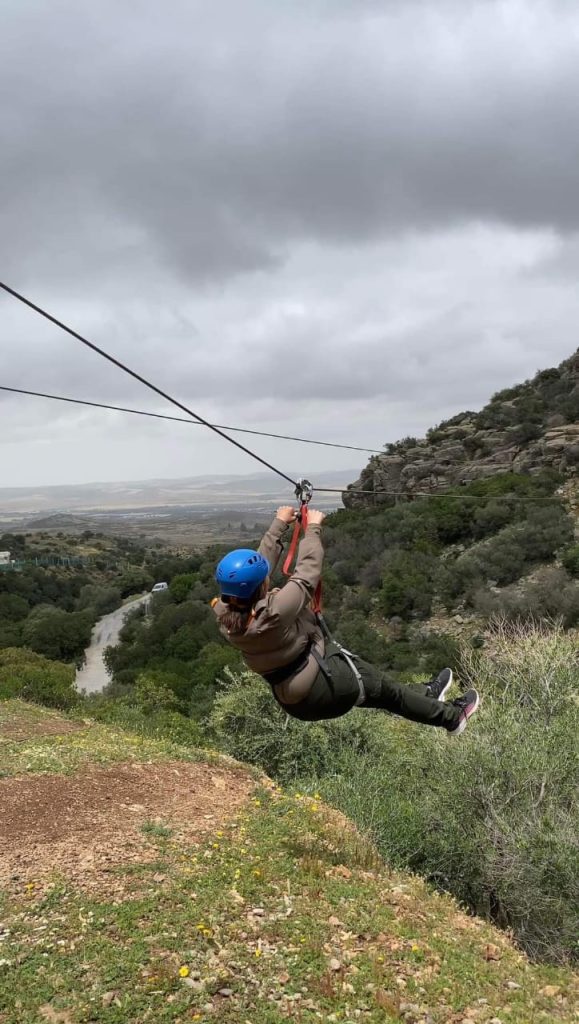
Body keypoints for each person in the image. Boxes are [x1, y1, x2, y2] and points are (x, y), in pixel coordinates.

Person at [212, 506, 479, 734]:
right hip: (325, 684)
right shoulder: (276, 612)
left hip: (297, 701)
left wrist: (279, 525)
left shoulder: (226, 614)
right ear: (260, 587)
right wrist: (313, 528)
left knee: (383, 691)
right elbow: (307, 573)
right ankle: (452, 717)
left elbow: (258, 571)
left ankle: (426, 694)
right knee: (388, 692)